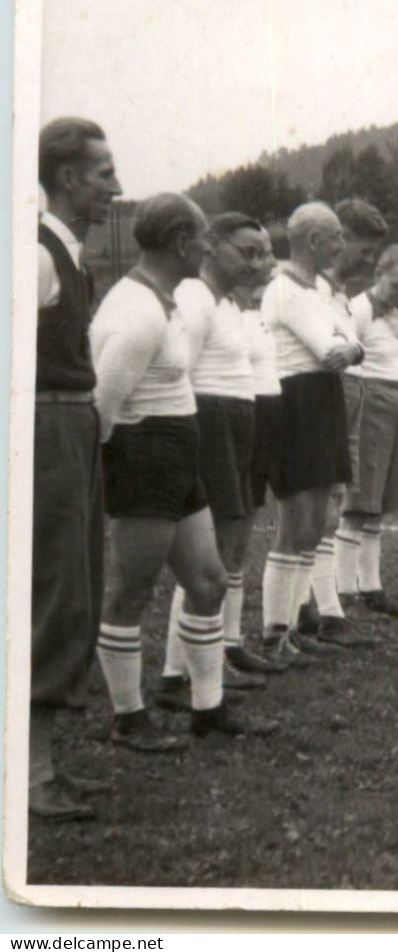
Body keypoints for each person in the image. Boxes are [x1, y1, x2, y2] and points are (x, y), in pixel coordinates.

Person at [92, 193, 279, 749]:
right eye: (202, 238)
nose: (207, 247)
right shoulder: (138, 312)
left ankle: (208, 708)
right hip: (144, 454)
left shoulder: (167, 299)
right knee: (130, 591)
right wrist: (111, 478)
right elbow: (102, 407)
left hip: (179, 451)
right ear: (181, 243)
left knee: (209, 580)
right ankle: (129, 717)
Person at [30, 118, 120, 821]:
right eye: (102, 174)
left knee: (75, 582)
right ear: (67, 178)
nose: (114, 188)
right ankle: (30, 777)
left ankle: (44, 765)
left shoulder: (71, 252)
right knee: (54, 588)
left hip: (73, 418)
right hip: (46, 422)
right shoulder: (33, 255)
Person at [155, 213, 279, 710]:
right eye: (247, 252)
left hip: (236, 418)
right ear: (212, 248)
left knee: (231, 545)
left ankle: (220, 649)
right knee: (206, 555)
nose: (257, 262)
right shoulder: (195, 297)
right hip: (208, 422)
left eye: (262, 253)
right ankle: (174, 673)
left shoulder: (231, 303)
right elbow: (176, 371)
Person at [258, 203, 364, 665]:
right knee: (297, 524)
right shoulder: (284, 290)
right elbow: (328, 349)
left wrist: (351, 348)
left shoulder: (318, 288)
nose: (343, 246)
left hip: (322, 399)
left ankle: (294, 628)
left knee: (316, 522)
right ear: (314, 240)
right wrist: (347, 347)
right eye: (336, 237)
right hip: (296, 401)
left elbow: (353, 341)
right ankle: (273, 633)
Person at [341, 245, 398, 619]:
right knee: (360, 502)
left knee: (379, 505)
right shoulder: (359, 308)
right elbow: (346, 359)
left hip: (395, 399)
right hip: (369, 400)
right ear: (379, 272)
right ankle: (344, 591)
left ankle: (371, 585)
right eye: (397, 285)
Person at [326, 200, 391, 617]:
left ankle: (329, 606)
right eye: (363, 251)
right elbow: (337, 351)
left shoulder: (339, 294)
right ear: (338, 238)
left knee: (337, 501)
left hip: (350, 397)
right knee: (326, 510)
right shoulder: (306, 290)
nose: (367, 262)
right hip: (326, 399)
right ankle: (322, 606)